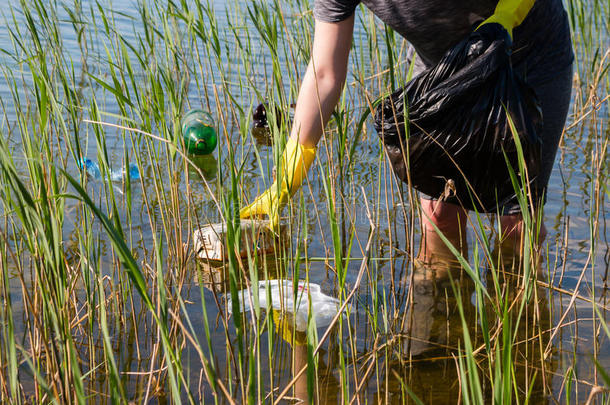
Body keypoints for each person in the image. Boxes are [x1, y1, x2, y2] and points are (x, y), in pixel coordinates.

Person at [240, 0, 573, 259]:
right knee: (439, 212)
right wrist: (285, 179)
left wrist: (506, 16)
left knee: (516, 222)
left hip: (527, 61)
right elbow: (325, 74)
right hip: (442, 72)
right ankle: (443, 327)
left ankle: (519, 324)